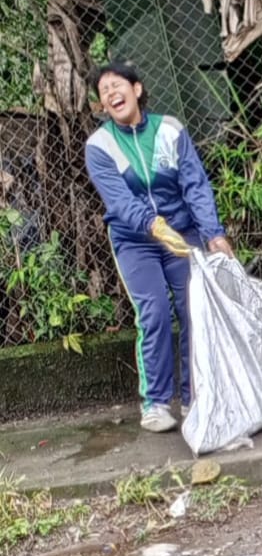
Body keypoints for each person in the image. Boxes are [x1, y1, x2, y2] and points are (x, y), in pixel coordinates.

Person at [85, 62, 234, 433]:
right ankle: (155, 403)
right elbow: (119, 201)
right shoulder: (99, 146)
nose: (111, 93)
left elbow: (195, 185)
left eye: (117, 85)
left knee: (194, 310)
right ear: (102, 106)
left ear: (137, 89)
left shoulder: (170, 129)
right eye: (104, 91)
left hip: (183, 234)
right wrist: (153, 226)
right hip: (135, 241)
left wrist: (213, 235)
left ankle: (196, 397)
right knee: (154, 313)